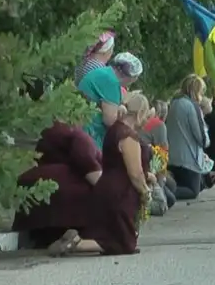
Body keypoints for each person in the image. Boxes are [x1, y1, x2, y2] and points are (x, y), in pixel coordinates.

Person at [46, 92, 154, 257]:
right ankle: (76, 244)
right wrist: (145, 191)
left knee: (110, 237)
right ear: (140, 113)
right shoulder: (128, 136)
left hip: (106, 187)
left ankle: (75, 242)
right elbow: (135, 172)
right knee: (122, 244)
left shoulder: (114, 130)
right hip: (120, 193)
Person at [77, 52, 142, 149]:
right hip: (88, 135)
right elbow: (109, 120)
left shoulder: (105, 73)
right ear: (131, 77)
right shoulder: (111, 81)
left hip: (79, 127)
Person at [166, 75, 209, 201]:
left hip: (173, 157)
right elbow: (201, 137)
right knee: (192, 191)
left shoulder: (174, 103)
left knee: (195, 185)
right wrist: (206, 140)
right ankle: (162, 193)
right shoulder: (192, 106)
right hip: (189, 159)